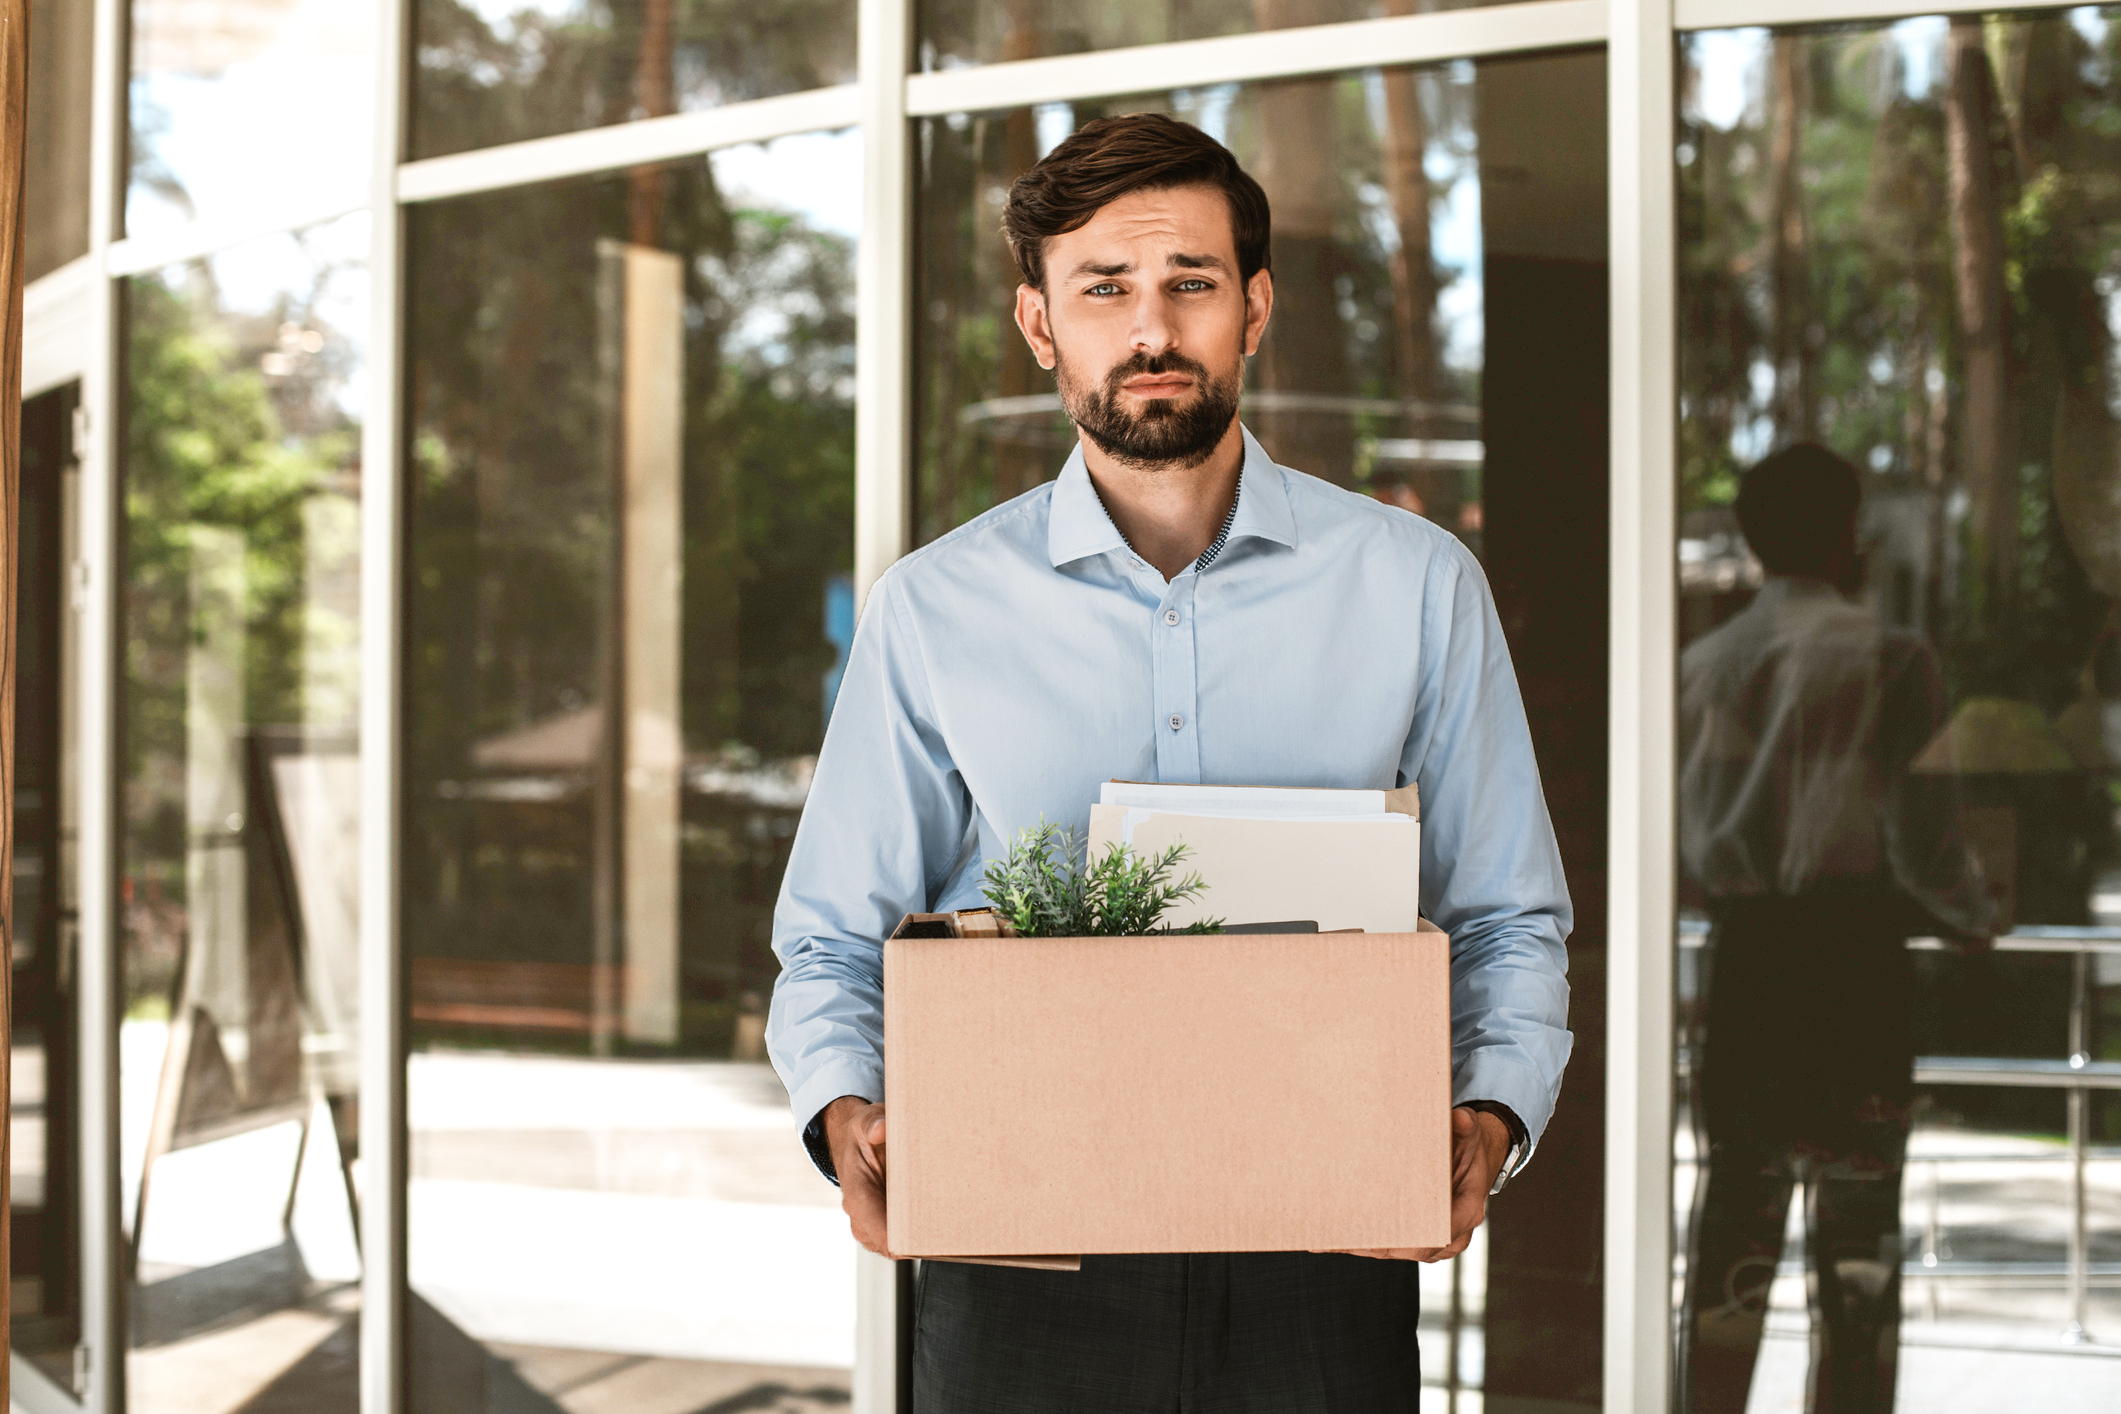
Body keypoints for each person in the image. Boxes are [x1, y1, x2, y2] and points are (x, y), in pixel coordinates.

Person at [767, 112, 1573, 1411]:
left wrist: (1489, 1111)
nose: (1150, 327)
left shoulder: (1416, 586)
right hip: (1017, 1252)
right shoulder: (930, 610)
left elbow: (1506, 912)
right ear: (1041, 323)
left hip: (1326, 1254)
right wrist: (843, 1104)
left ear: (1253, 307)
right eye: (1104, 288)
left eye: (1189, 282)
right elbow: (829, 937)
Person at [1676, 443, 1992, 1413]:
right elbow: (1923, 837)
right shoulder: (1895, 657)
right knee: (1857, 1257)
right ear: (1841, 530)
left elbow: (1683, 835)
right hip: (1856, 966)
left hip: (1749, 966)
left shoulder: (1702, 664)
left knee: (1735, 1239)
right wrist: (1979, 917)